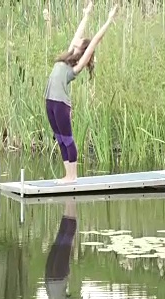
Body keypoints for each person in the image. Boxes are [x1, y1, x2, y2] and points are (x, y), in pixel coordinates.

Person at [44, 2, 119, 184]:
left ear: (82, 49)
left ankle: (73, 176)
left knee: (68, 139)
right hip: (50, 101)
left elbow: (94, 42)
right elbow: (78, 33)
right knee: (60, 139)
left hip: (61, 104)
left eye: (80, 40)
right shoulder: (68, 55)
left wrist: (109, 20)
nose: (77, 38)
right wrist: (86, 14)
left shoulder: (75, 66)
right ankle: (67, 175)